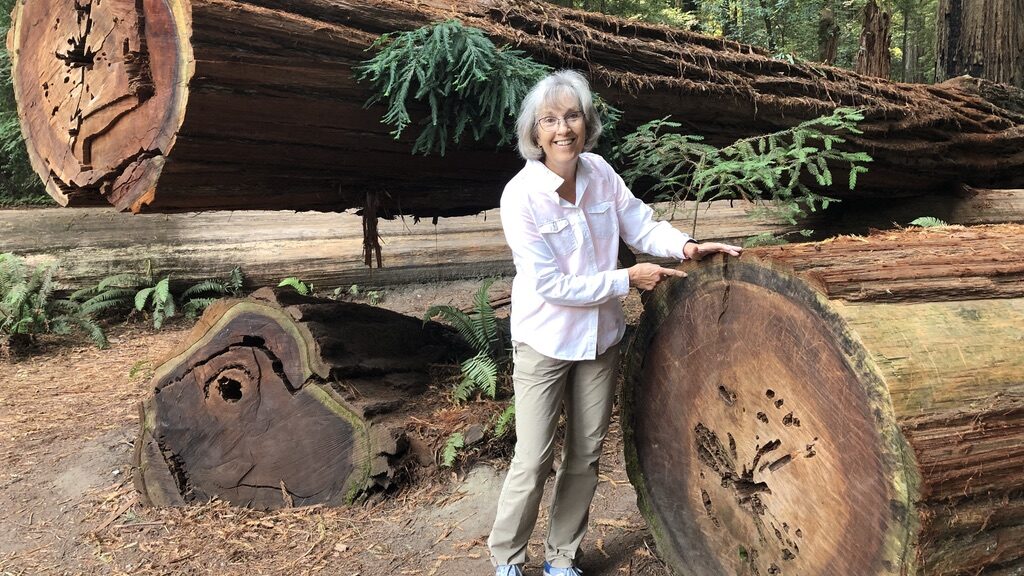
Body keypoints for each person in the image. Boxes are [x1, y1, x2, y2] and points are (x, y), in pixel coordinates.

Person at [488, 70, 742, 576]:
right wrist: (628, 278)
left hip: (600, 339)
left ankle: (562, 557)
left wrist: (687, 246)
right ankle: (508, 559)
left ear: (587, 123)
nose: (563, 129)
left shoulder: (600, 172)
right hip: (545, 340)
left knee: (584, 456)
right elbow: (553, 287)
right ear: (534, 134)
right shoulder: (521, 197)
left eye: (573, 116)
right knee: (534, 458)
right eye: (550, 120)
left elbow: (640, 222)